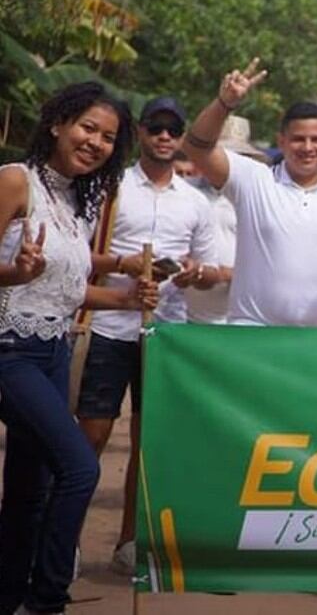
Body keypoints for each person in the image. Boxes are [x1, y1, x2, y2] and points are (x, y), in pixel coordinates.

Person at [0, 82, 156, 615]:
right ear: (56, 124)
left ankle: (8, 596)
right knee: (79, 468)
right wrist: (12, 271)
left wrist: (128, 297)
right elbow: (21, 275)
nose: (96, 142)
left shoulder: (76, 200)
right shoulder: (15, 182)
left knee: (28, 488)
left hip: (53, 350)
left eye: (109, 137)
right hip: (9, 349)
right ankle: (47, 598)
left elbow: (66, 286)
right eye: (88, 127)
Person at [76, 97, 220, 576]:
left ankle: (129, 541)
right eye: (155, 127)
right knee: (90, 434)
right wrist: (124, 266)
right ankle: (66, 540)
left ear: (181, 136)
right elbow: (80, 255)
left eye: (172, 129)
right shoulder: (110, 188)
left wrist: (193, 273)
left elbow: (206, 268)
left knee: (147, 439)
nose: (164, 136)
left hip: (165, 332)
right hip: (108, 327)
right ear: (140, 132)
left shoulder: (196, 202)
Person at [182, 59, 317, 328]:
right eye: (298, 139)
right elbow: (195, 147)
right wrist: (224, 104)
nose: (307, 147)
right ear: (281, 141)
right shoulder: (253, 180)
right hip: (254, 336)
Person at [182, 116, 263, 325]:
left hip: (240, 315)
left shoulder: (257, 198)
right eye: (222, 155)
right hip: (184, 313)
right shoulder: (184, 192)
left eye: (237, 156)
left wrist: (230, 274)